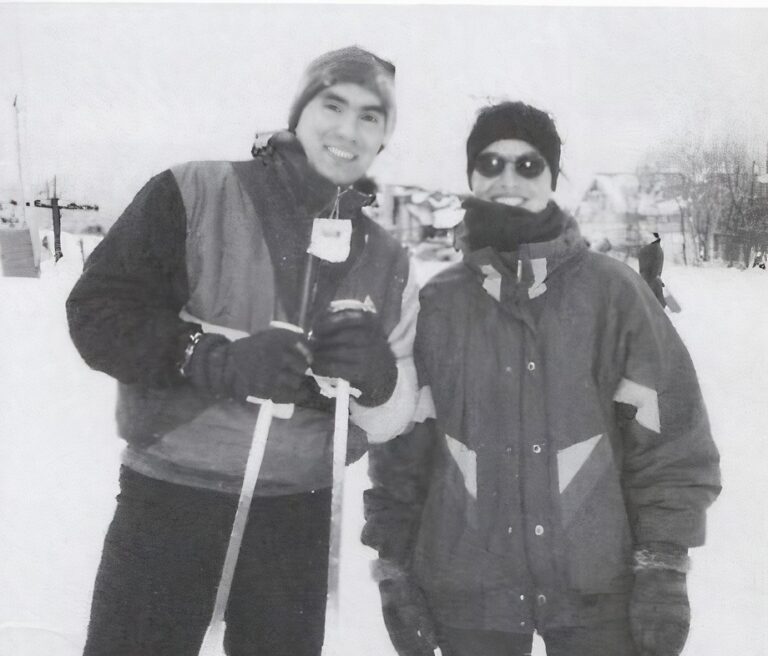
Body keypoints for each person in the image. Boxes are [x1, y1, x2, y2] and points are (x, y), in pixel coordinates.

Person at [66, 45, 419, 656]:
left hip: (298, 516)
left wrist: (378, 379)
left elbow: (392, 418)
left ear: (385, 136)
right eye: (332, 105)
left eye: (371, 115)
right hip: (171, 499)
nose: (347, 129)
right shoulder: (194, 190)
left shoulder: (388, 256)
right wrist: (206, 356)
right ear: (300, 109)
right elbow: (98, 311)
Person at [362, 101, 721, 656]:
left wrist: (664, 566)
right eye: (491, 163)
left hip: (595, 592)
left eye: (529, 165)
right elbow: (403, 451)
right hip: (469, 592)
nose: (508, 179)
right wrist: (393, 567)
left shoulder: (614, 293)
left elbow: (670, 439)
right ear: (471, 176)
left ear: (553, 176)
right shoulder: (438, 302)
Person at [638, 232, 666, 307]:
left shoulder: (654, 249)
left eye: (646, 239)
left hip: (651, 276)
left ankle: (660, 305)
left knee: (654, 293)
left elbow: (654, 264)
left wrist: (654, 275)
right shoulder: (655, 248)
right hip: (652, 276)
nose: (644, 240)